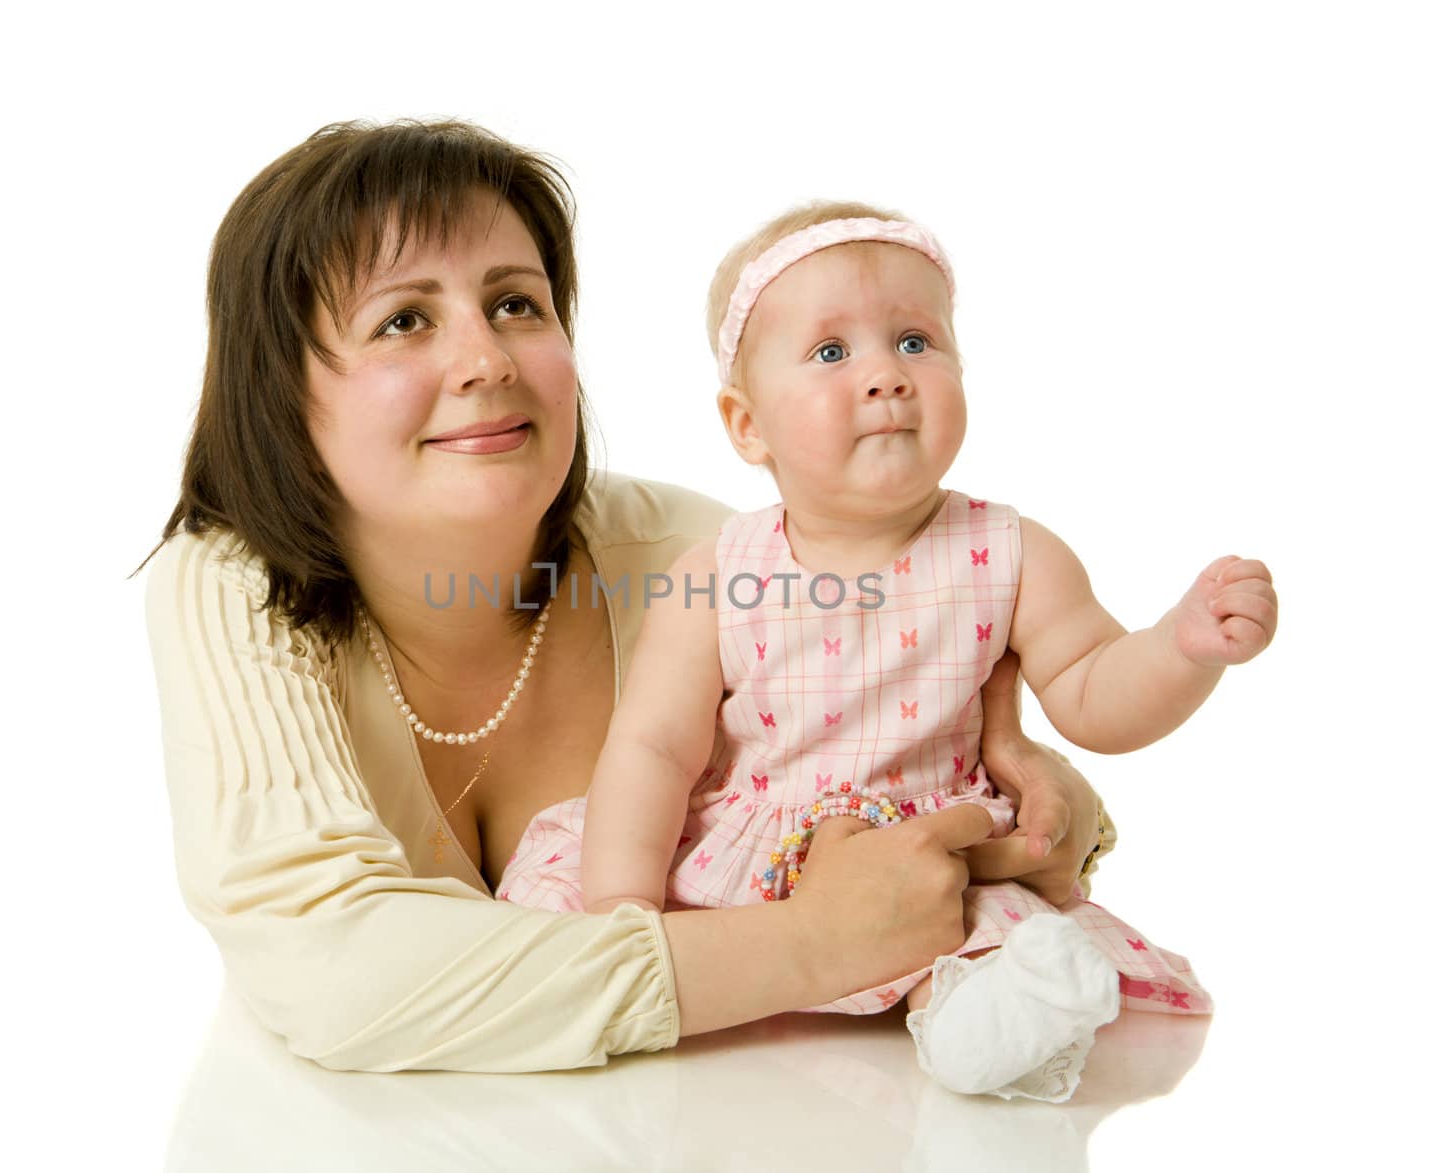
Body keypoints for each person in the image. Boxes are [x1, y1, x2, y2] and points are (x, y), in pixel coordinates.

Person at [142, 120, 1114, 1075]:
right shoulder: (231, 589)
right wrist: (810, 945)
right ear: (279, 387)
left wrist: (1058, 810)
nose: (488, 360)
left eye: (517, 304)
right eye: (405, 320)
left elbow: (905, 726)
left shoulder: (699, 558)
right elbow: (334, 977)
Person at [498, 203, 1276, 1100]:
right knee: (555, 900)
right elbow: (652, 749)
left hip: (929, 850)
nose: (886, 377)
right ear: (747, 425)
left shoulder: (1012, 554)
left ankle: (985, 1020)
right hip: (747, 851)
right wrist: (625, 911)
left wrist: (1182, 647)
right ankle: (663, 972)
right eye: (832, 353)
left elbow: (1095, 693)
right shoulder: (716, 573)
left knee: (991, 932)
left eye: (915, 342)